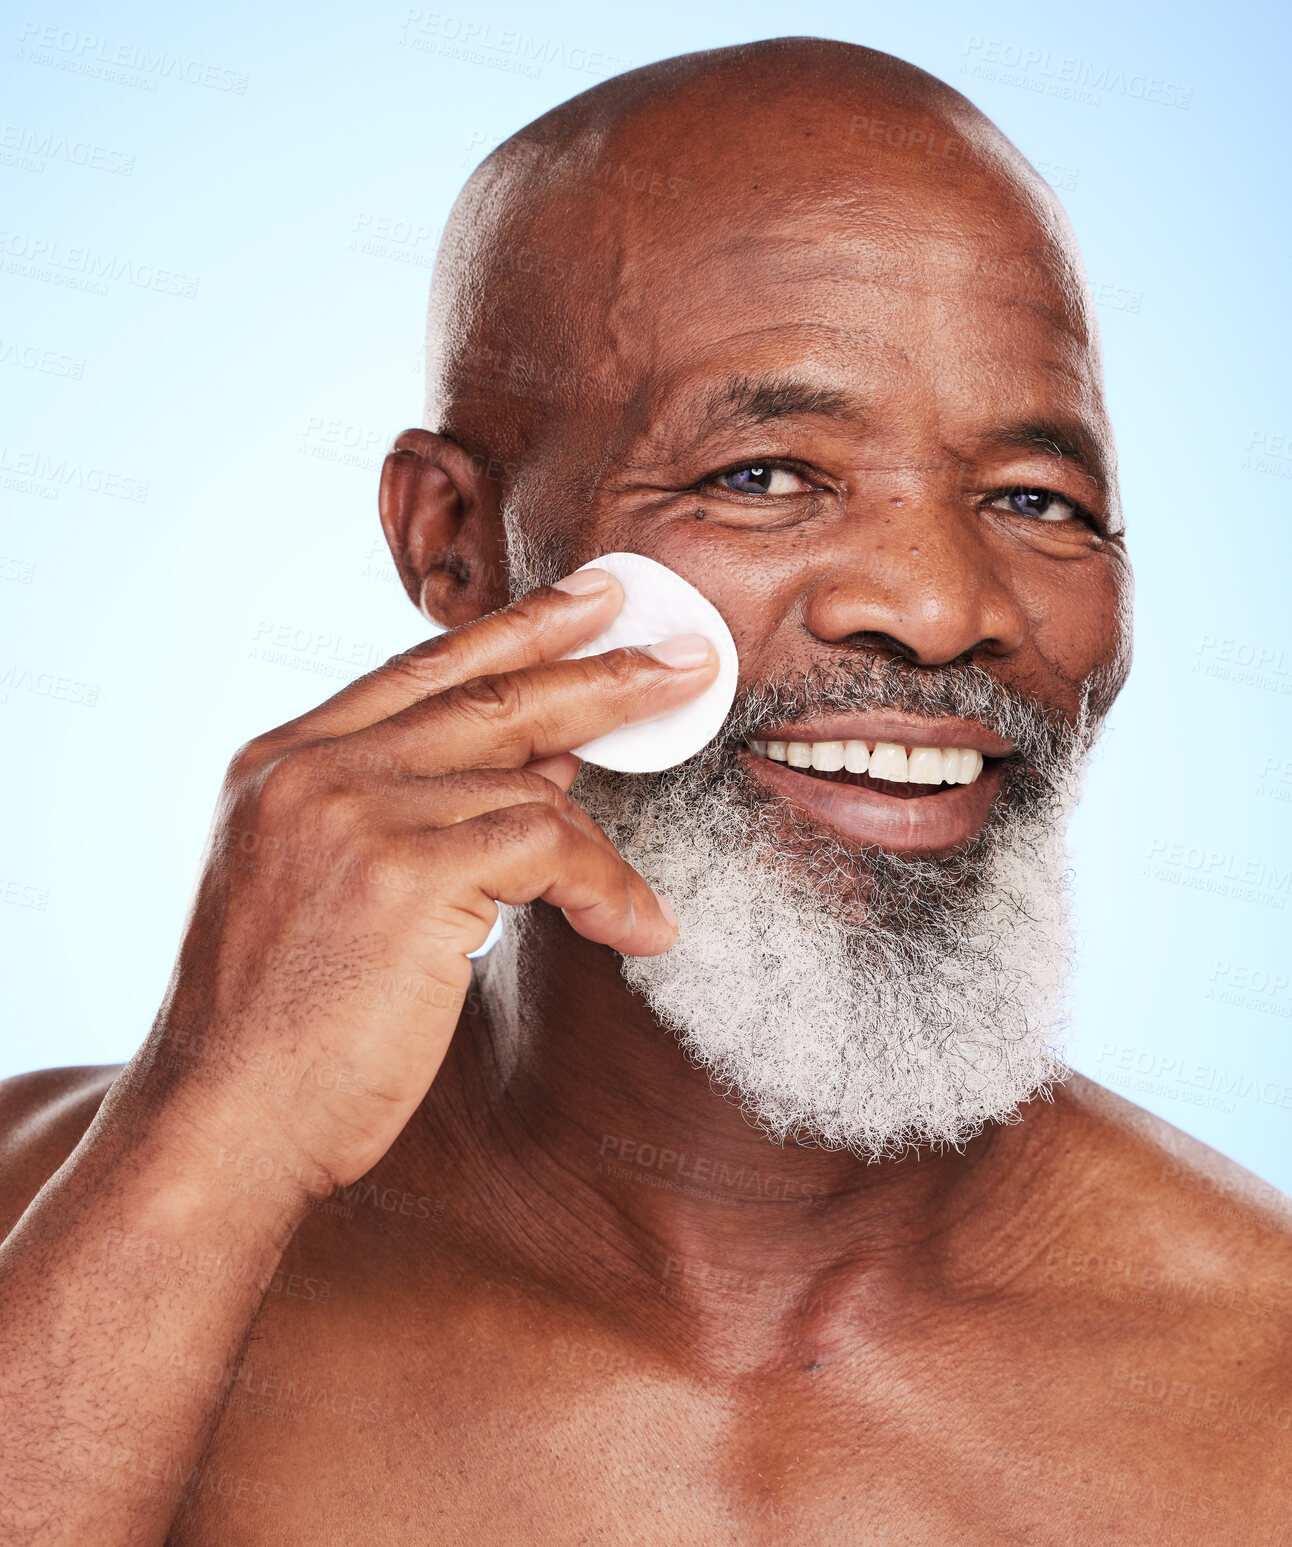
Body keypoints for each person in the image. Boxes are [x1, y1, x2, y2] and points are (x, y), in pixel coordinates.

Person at [2, 36, 1288, 1544]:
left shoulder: (1259, 1385)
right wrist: (211, 1144)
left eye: (1037, 502)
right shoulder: (59, 1232)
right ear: (457, 544)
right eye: (764, 474)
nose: (943, 611)